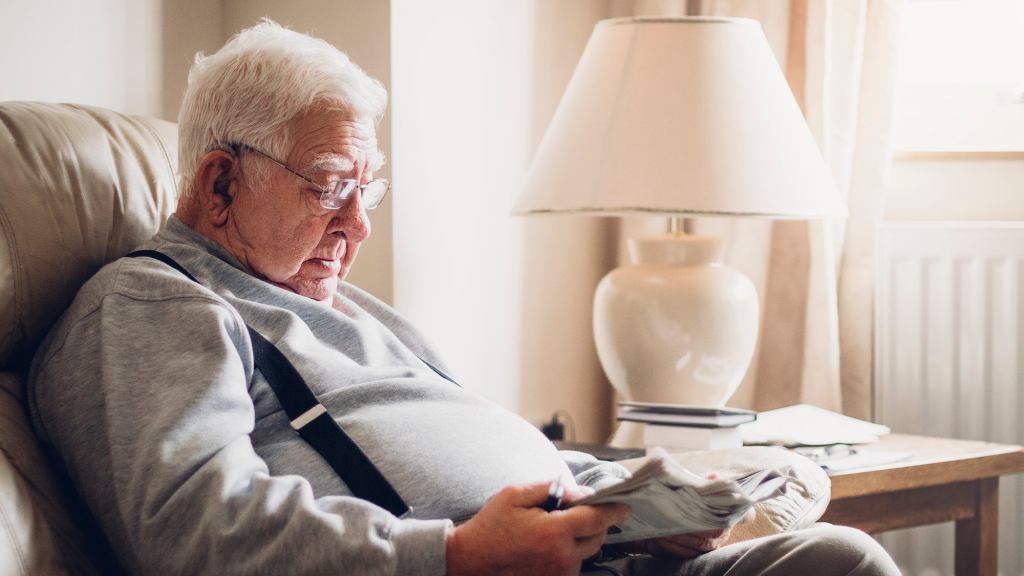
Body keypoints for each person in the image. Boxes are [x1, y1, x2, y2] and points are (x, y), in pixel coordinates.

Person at [28, 20, 900, 576]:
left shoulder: (347, 307)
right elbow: (192, 533)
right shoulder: (154, 306)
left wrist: (633, 502)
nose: (357, 227)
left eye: (368, 192)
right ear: (219, 182)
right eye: (330, 186)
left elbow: (493, 454)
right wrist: (449, 557)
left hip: (595, 563)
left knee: (831, 552)